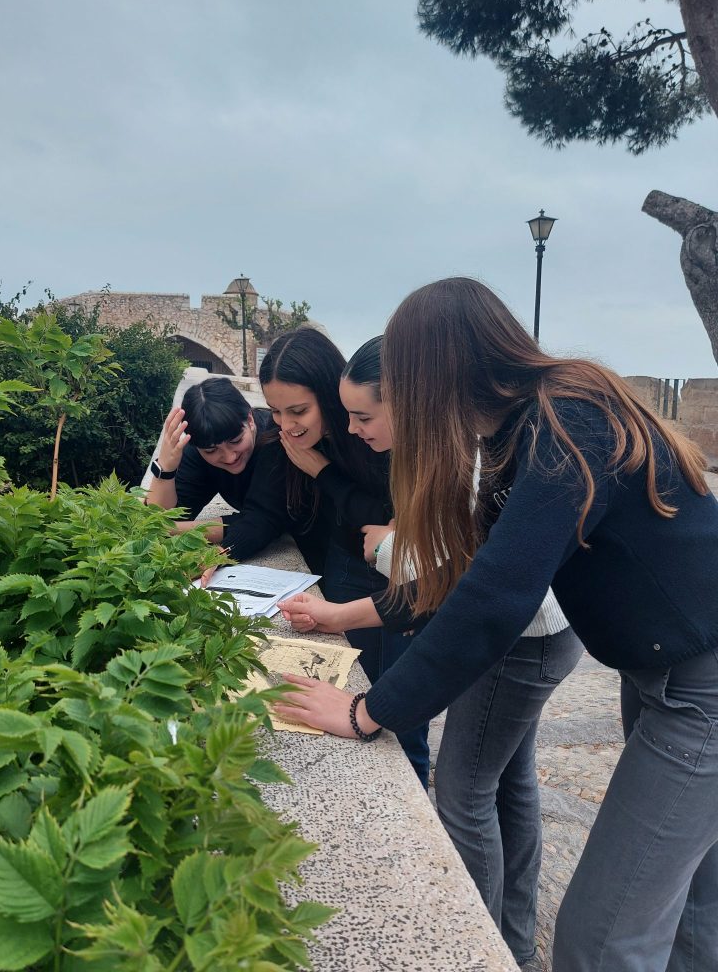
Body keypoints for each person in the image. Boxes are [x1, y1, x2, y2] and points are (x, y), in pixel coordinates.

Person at [275, 277, 718, 972]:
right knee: (692, 904)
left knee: (600, 940)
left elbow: (496, 597)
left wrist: (368, 712)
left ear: (433, 376)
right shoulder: (532, 425)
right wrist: (348, 629)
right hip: (665, 670)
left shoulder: (567, 422)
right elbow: (465, 579)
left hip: (699, 689)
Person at [303, 334, 581, 966]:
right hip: (548, 631)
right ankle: (512, 943)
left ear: (409, 400)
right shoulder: (451, 448)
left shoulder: (459, 460)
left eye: (363, 416)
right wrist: (339, 615)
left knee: (463, 790)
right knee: (510, 781)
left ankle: (476, 951)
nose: (352, 430)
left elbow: (444, 592)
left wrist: (366, 710)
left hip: (520, 642)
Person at [257, 325, 430, 786]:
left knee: (401, 710)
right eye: (275, 411)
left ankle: (412, 791)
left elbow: (394, 518)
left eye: (298, 411)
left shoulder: (377, 431)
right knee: (347, 684)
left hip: (402, 573)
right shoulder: (288, 439)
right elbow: (264, 512)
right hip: (346, 565)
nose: (286, 424)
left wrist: (324, 472)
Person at [145, 376, 324, 568]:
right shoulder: (199, 450)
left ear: (250, 419)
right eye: (211, 451)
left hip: (317, 533)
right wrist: (165, 468)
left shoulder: (275, 439)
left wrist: (179, 533)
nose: (229, 457)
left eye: (236, 441)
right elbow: (159, 520)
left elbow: (263, 521)